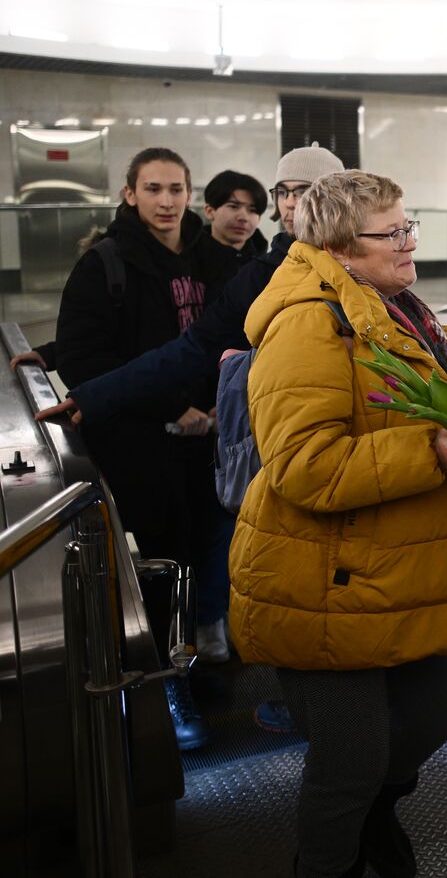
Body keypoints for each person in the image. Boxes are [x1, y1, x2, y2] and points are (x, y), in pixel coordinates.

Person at [230, 169, 447, 878]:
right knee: (349, 760)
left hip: (404, 568)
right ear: (342, 248)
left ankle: (376, 812)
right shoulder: (306, 323)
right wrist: (432, 452)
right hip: (326, 579)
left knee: (437, 712)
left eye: (410, 226)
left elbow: (431, 406)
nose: (411, 242)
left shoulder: (402, 307)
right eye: (394, 232)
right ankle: (329, 861)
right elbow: (305, 465)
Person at [38, 143, 348, 734]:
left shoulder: (369, 259)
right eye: (283, 192)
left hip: (352, 447)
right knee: (292, 571)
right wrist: (98, 395)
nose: (288, 206)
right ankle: (309, 698)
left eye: (302, 192)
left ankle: (343, 699)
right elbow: (194, 346)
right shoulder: (264, 274)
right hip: (286, 450)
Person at [54, 146, 239, 750]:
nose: (166, 201)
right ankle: (163, 684)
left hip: (210, 439)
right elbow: (86, 356)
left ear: (191, 195)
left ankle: (204, 651)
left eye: (176, 190)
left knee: (211, 544)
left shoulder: (216, 261)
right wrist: (170, 408)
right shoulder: (105, 264)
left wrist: (215, 406)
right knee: (158, 561)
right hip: (142, 445)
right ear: (130, 194)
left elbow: (237, 338)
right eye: (153, 189)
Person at [202, 168, 269, 262]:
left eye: (252, 210)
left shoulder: (268, 267)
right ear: (209, 211)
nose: (243, 218)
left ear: (259, 219)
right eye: (233, 206)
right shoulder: (187, 262)